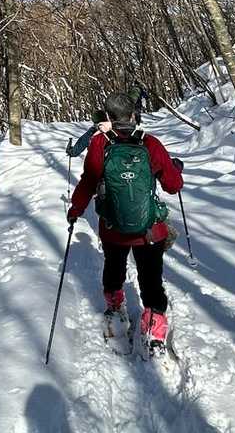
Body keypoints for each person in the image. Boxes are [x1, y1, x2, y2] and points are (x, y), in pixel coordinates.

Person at [67, 91, 184, 351]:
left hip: (113, 228)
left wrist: (75, 210)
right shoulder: (150, 143)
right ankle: (154, 328)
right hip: (149, 231)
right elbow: (173, 185)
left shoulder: (99, 144)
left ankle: (115, 307)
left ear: (108, 118)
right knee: (151, 277)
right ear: (133, 115)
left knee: (114, 267)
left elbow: (88, 182)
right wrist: (175, 169)